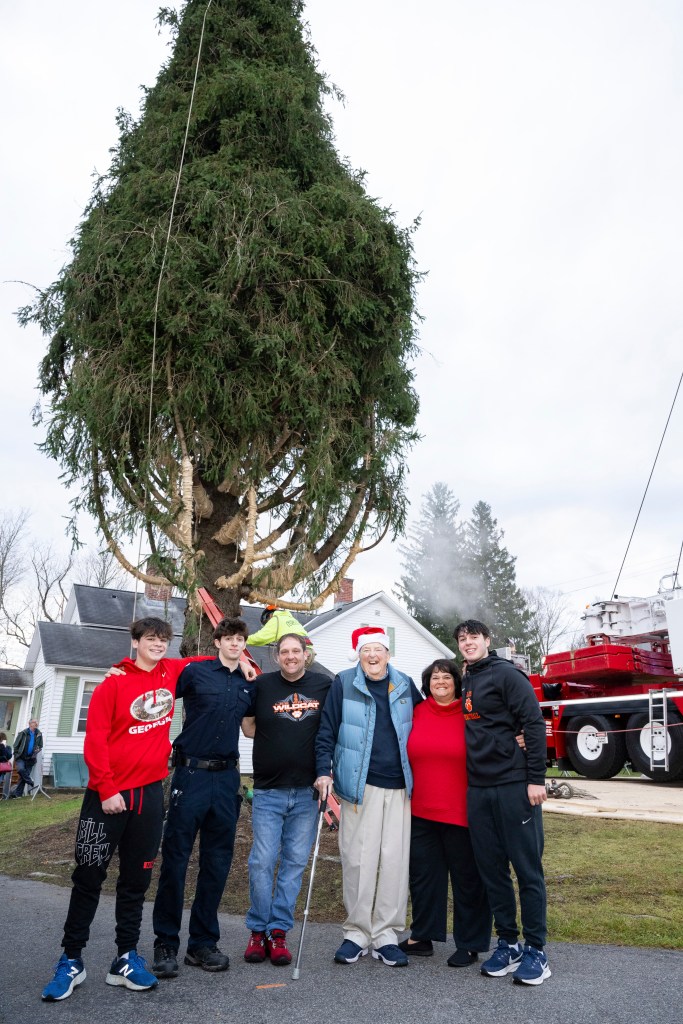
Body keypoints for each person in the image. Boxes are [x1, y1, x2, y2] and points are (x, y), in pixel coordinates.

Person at [40, 617, 195, 1001]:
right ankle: (71, 960)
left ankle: (125, 958)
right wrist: (108, 789)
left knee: (135, 882)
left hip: (149, 795)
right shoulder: (113, 683)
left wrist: (244, 660)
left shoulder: (170, 672)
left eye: (163, 640)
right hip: (106, 797)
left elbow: (210, 660)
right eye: (151, 639)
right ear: (136, 641)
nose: (158, 645)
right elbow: (94, 740)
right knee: (89, 876)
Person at [152, 617, 255, 979]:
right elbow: (155, 682)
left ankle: (202, 943)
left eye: (240, 639)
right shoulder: (196, 674)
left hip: (227, 779)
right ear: (218, 641)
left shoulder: (249, 684)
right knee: (176, 860)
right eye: (229, 638)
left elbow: (254, 726)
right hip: (190, 775)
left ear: (244, 644)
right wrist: (124, 673)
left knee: (216, 862)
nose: (235, 644)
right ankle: (165, 942)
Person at [315, 626, 422, 968]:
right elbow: (327, 730)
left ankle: (386, 934)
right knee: (359, 859)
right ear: (358, 655)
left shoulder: (405, 683)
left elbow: (426, 723)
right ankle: (357, 933)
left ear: (388, 654)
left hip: (400, 787)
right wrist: (323, 771)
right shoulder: (345, 682)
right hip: (359, 787)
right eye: (366, 651)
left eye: (378, 650)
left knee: (394, 861)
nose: (373, 656)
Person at [454, 619, 550, 986]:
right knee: (493, 872)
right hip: (479, 789)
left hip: (514, 786)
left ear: (487, 640)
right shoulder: (466, 679)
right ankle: (507, 943)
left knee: (527, 871)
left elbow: (534, 723)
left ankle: (536, 950)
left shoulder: (507, 675)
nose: (467, 643)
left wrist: (536, 779)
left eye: (473, 637)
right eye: (462, 639)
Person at [240, 632, 331, 966]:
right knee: (261, 861)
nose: (291, 656)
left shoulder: (325, 685)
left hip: (308, 792)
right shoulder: (261, 685)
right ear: (276, 656)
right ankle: (257, 930)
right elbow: (248, 728)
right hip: (268, 790)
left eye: (297, 651)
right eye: (285, 652)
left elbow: (332, 728)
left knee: (293, 864)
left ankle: (278, 932)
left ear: (306, 654)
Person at [399, 659, 492, 966]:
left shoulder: (470, 712)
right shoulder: (418, 711)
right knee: (424, 877)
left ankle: (470, 943)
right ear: (427, 683)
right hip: (422, 811)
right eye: (434, 677)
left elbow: (497, 733)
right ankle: (422, 936)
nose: (440, 680)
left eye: (446, 676)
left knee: (467, 881)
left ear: (457, 681)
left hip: (461, 812)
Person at [247, 605, 314, 662]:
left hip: (297, 652)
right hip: (308, 651)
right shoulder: (290, 618)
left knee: (289, 674)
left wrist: (242, 639)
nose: (267, 623)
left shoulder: (275, 619)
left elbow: (259, 638)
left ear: (270, 615)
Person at [9, 718, 43, 798]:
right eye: (35, 722)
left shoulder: (39, 734)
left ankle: (18, 795)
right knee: (21, 770)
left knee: (23, 777)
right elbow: (16, 745)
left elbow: (40, 745)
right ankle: (30, 781)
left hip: (31, 758)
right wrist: (17, 755)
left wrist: (37, 749)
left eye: (37, 722)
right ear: (30, 724)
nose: (36, 723)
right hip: (21, 757)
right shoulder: (23, 733)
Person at [0, 732, 13, 799]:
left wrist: (3, 747)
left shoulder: (7, 747)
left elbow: (8, 756)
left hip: (2, 769)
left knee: (0, 779)